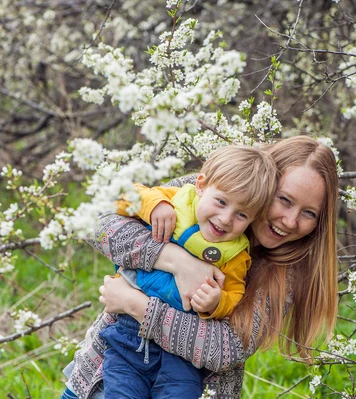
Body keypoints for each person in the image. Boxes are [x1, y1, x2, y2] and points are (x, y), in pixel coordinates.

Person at [63, 135, 339, 399]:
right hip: (102, 379)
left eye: (308, 213)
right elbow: (99, 225)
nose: (290, 221)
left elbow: (226, 349)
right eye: (284, 200)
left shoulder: (287, 272)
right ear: (265, 185)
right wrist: (178, 262)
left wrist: (138, 306)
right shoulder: (210, 191)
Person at [98, 145, 278, 398]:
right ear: (201, 185)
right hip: (129, 336)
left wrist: (217, 303)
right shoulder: (176, 201)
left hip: (182, 357)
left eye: (241, 214)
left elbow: (235, 290)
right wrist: (154, 205)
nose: (226, 219)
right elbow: (120, 197)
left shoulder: (236, 253)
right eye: (221, 202)